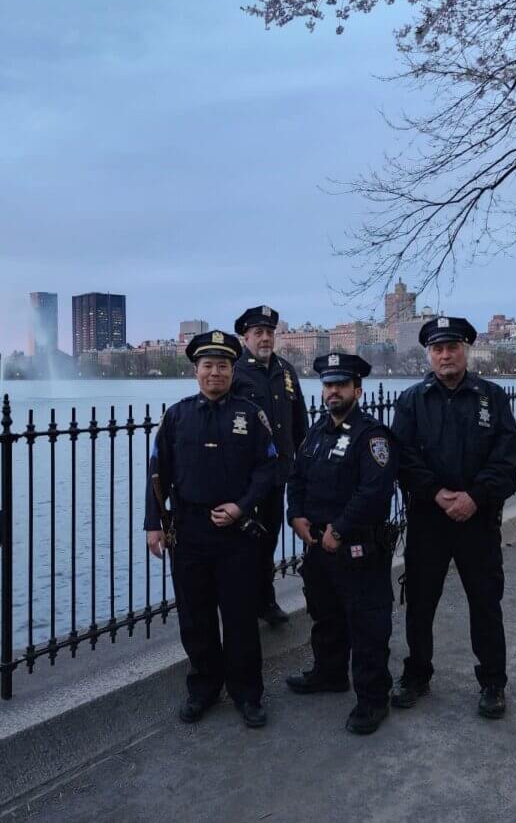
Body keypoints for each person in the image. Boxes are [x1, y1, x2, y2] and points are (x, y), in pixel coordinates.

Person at [390, 316, 516, 719]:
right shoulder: (412, 400)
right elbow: (402, 456)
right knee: (420, 602)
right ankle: (417, 674)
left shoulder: (492, 398)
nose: (445, 355)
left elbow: (507, 458)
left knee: (485, 602)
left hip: (477, 519)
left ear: (465, 350)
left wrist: (475, 496)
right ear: (428, 354)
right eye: (437, 349)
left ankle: (493, 682)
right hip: (429, 519)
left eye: (452, 347)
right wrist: (435, 492)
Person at [145, 329, 277, 728]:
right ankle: (203, 688)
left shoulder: (251, 416)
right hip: (189, 532)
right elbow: (157, 474)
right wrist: (154, 526)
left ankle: (246, 693)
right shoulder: (177, 416)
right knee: (195, 617)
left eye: (222, 365)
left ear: (232, 370)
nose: (215, 373)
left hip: (236, 533)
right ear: (196, 371)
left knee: (239, 619)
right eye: (208, 366)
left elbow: (268, 468)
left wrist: (241, 506)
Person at [285, 353, 398, 734]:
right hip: (317, 544)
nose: (333, 391)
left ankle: (372, 699)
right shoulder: (316, 433)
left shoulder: (371, 436)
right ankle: (330, 674)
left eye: (341, 385)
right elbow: (296, 478)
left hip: (356, 547)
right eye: (329, 385)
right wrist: (295, 516)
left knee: (367, 625)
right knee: (326, 615)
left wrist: (339, 529)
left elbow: (375, 492)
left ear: (357, 390)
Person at [232, 305, 308, 626]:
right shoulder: (235, 372)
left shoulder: (285, 371)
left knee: (269, 539)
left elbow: (299, 421)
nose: (265, 338)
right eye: (258, 333)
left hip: (279, 474)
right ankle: (243, 603)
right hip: (246, 477)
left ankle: (265, 600)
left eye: (269, 333)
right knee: (244, 543)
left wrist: (302, 462)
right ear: (246, 336)